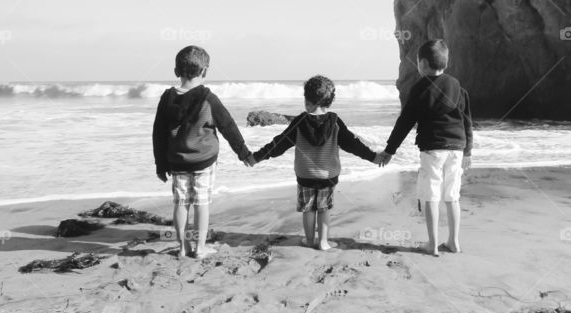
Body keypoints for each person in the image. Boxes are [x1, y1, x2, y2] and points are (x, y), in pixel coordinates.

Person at [250, 75, 381, 251]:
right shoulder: (335, 121)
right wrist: (373, 157)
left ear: (306, 100)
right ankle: (324, 242)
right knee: (324, 209)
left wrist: (257, 156)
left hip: (305, 174)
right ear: (330, 101)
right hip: (327, 174)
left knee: (308, 210)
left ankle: (310, 240)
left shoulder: (299, 121)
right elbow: (352, 144)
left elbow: (279, 144)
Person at [152, 46, 254, 259]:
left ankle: (182, 247)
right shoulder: (208, 98)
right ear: (205, 71)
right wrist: (243, 152)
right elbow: (228, 126)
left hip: (177, 162)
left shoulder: (166, 98)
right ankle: (199, 248)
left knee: (181, 204)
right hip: (203, 161)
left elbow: (158, 134)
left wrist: (160, 165)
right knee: (201, 204)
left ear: (175, 71)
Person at [378, 39, 473, 256]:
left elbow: (405, 122)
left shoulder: (420, 88)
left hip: (433, 149)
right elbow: (467, 121)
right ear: (445, 63)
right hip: (457, 149)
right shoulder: (458, 87)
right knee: (452, 195)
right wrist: (468, 151)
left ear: (421, 64)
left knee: (430, 195)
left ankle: (432, 244)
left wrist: (390, 150)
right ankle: (453, 242)